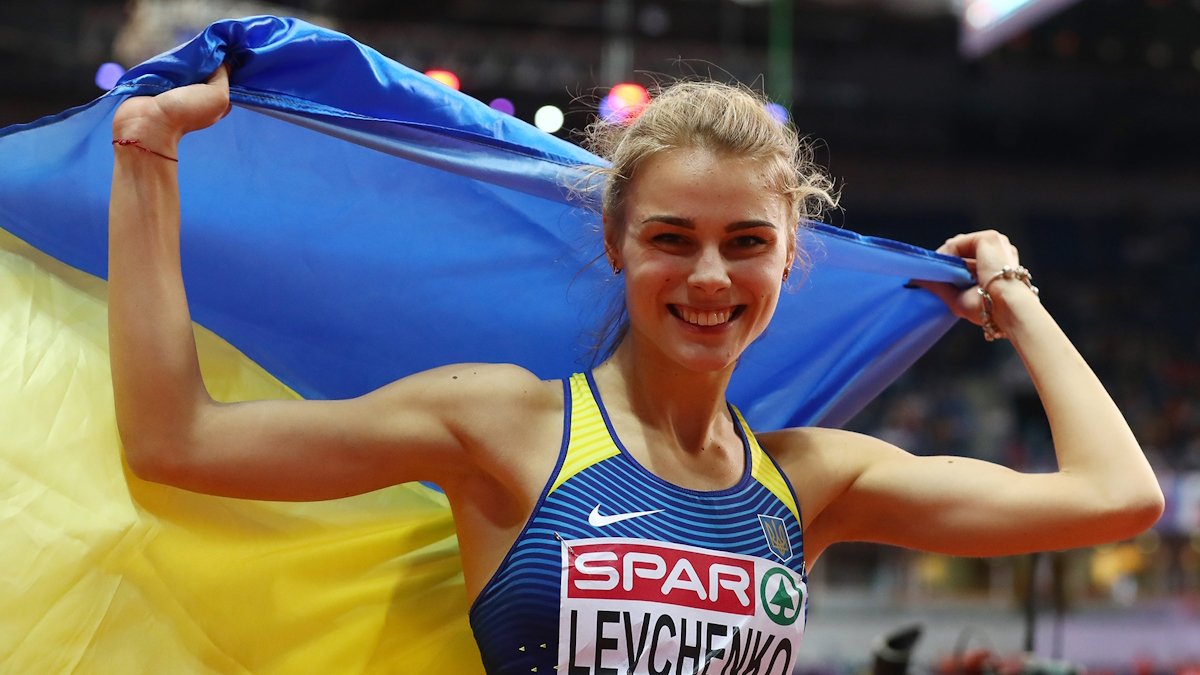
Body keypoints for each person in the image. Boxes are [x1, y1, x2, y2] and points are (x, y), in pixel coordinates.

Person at [108, 64, 1163, 674]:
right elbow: (175, 440)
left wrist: (1013, 296)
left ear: (789, 258)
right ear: (616, 244)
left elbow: (1116, 497)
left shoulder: (812, 480)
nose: (709, 276)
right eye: (671, 238)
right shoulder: (502, 425)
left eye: (746, 242)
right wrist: (147, 160)